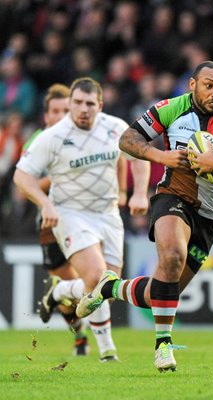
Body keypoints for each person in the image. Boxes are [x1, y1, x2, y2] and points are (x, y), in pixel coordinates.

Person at [76, 61, 213, 372]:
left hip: (210, 215)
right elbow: (127, 139)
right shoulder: (170, 108)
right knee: (172, 254)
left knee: (162, 292)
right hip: (173, 196)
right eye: (209, 85)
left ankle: (108, 287)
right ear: (192, 85)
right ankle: (163, 346)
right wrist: (160, 155)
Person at [14, 77, 150, 363]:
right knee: (97, 279)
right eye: (77, 103)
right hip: (70, 213)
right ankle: (107, 352)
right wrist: (46, 203)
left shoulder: (115, 127)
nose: (83, 109)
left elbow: (139, 156)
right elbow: (21, 176)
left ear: (99, 105)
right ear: (71, 104)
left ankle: (60, 290)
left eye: (89, 104)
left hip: (108, 212)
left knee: (108, 291)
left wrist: (138, 193)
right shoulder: (52, 136)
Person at [22, 83, 91, 356]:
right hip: (51, 221)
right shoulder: (38, 140)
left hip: (85, 217)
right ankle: (79, 336)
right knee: (65, 282)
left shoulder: (85, 136)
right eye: (56, 111)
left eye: (66, 109)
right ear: (46, 115)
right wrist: (61, 176)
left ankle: (94, 338)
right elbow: (25, 184)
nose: (62, 115)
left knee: (84, 279)